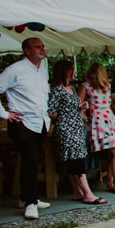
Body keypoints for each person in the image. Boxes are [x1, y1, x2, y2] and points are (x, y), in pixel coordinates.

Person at [0, 38, 52, 219]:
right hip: (22, 122)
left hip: (41, 122)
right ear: (27, 51)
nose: (42, 49)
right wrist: (3, 113)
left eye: (42, 46)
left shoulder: (43, 70)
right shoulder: (15, 70)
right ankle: (30, 203)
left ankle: (27, 198)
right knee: (31, 158)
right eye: (38, 47)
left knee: (34, 160)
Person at [48, 60, 106, 205]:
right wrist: (65, 116)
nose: (75, 73)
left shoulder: (72, 88)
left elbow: (72, 106)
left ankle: (77, 192)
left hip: (77, 129)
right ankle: (88, 194)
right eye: (73, 70)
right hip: (67, 130)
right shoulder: (57, 90)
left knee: (74, 160)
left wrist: (81, 107)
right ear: (65, 72)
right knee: (78, 160)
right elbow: (50, 111)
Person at [79, 63, 115, 195]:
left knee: (112, 154)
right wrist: (84, 112)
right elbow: (78, 105)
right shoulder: (86, 86)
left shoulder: (107, 85)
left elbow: (108, 103)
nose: (94, 81)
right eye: (92, 78)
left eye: (96, 78)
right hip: (98, 122)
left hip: (109, 119)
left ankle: (111, 183)